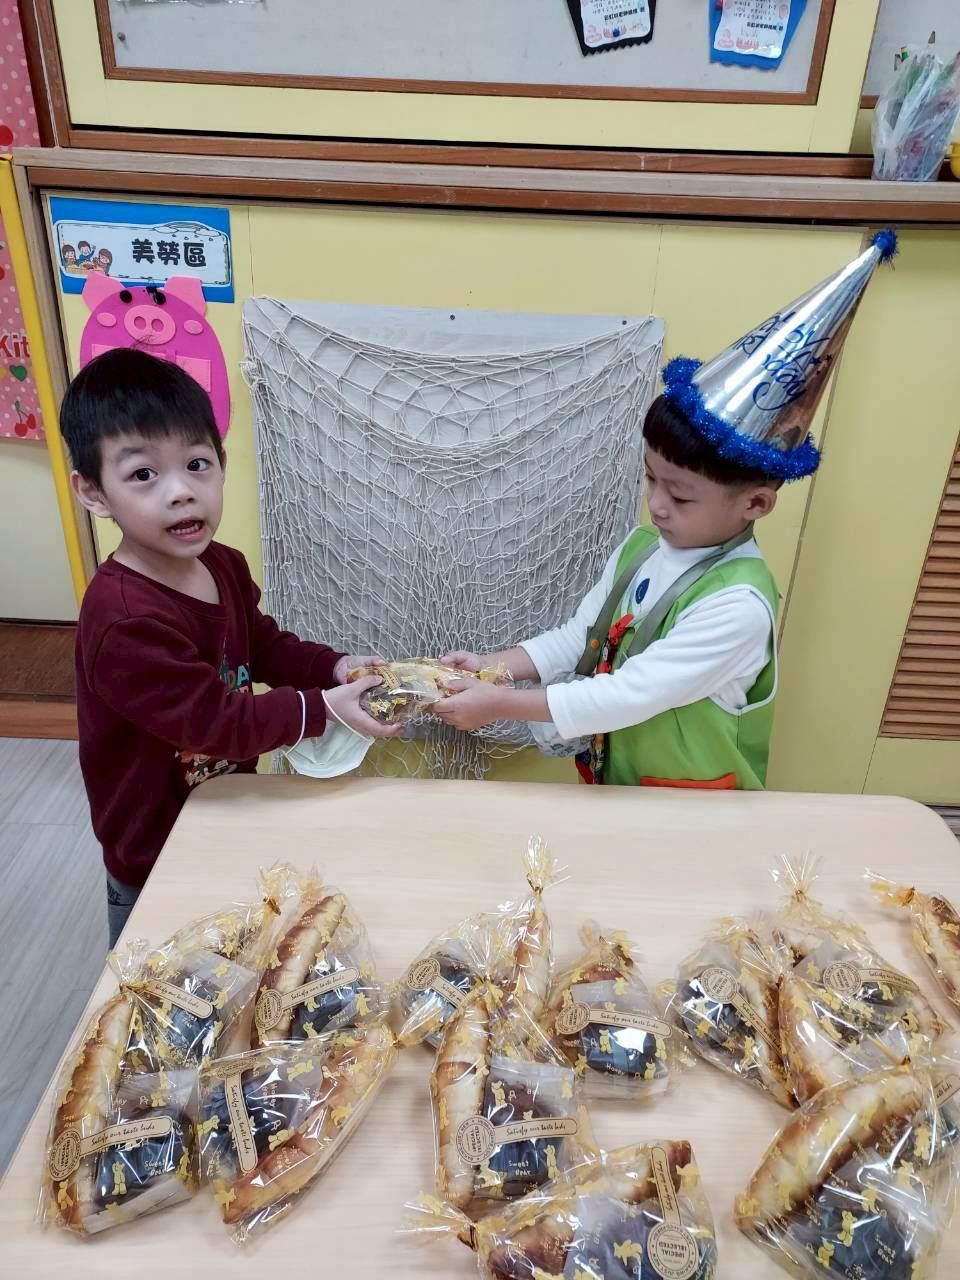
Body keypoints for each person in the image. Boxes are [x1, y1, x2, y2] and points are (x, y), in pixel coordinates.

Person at [436, 231, 898, 790]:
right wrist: (492, 667)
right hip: (620, 785)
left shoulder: (737, 606)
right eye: (651, 478)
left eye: (679, 496)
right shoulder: (641, 549)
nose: (655, 504)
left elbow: (629, 694)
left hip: (692, 804)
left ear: (755, 503)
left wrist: (497, 703)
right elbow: (580, 637)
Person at [61, 347, 400, 946]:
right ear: (93, 493)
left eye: (197, 464)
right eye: (143, 474)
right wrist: (322, 709)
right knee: (151, 981)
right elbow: (214, 722)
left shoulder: (222, 564)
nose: (180, 492)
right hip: (155, 851)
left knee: (237, 965)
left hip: (223, 812)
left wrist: (332, 667)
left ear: (221, 463)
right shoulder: (123, 619)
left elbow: (263, 645)